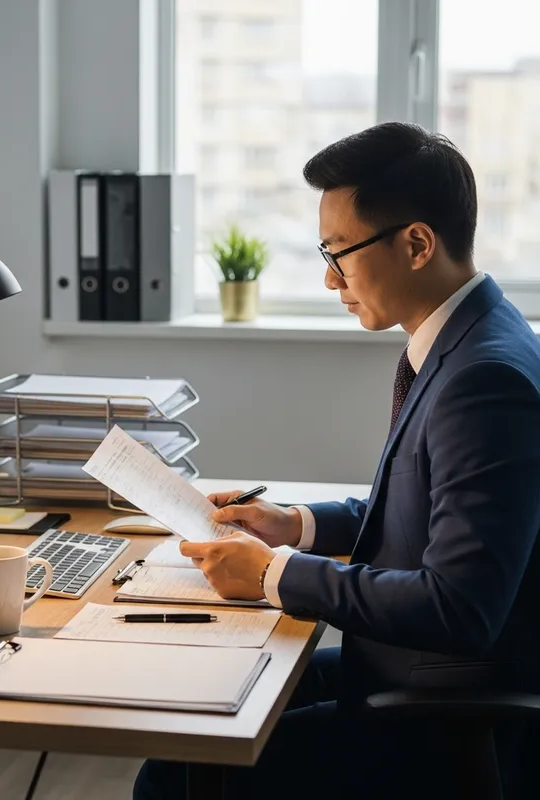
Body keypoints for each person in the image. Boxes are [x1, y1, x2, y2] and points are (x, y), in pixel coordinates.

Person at [134, 122, 540, 800]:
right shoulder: (469, 339)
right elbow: (421, 513)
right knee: (200, 720)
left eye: (340, 253)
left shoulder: (483, 378)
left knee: (176, 777)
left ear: (416, 243)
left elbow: (458, 607)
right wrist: (290, 525)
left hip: (446, 720)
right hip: (405, 674)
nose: (329, 279)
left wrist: (271, 574)